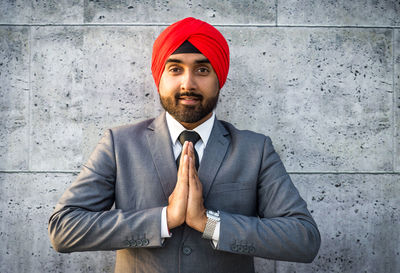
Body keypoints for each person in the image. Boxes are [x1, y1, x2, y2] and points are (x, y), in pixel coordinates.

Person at [48, 17, 321, 273]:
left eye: (202, 69)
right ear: (160, 76)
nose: (187, 83)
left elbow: (303, 238)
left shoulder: (255, 150)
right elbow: (64, 228)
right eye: (175, 69)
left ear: (219, 78)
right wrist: (163, 220)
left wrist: (209, 223)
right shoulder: (119, 144)